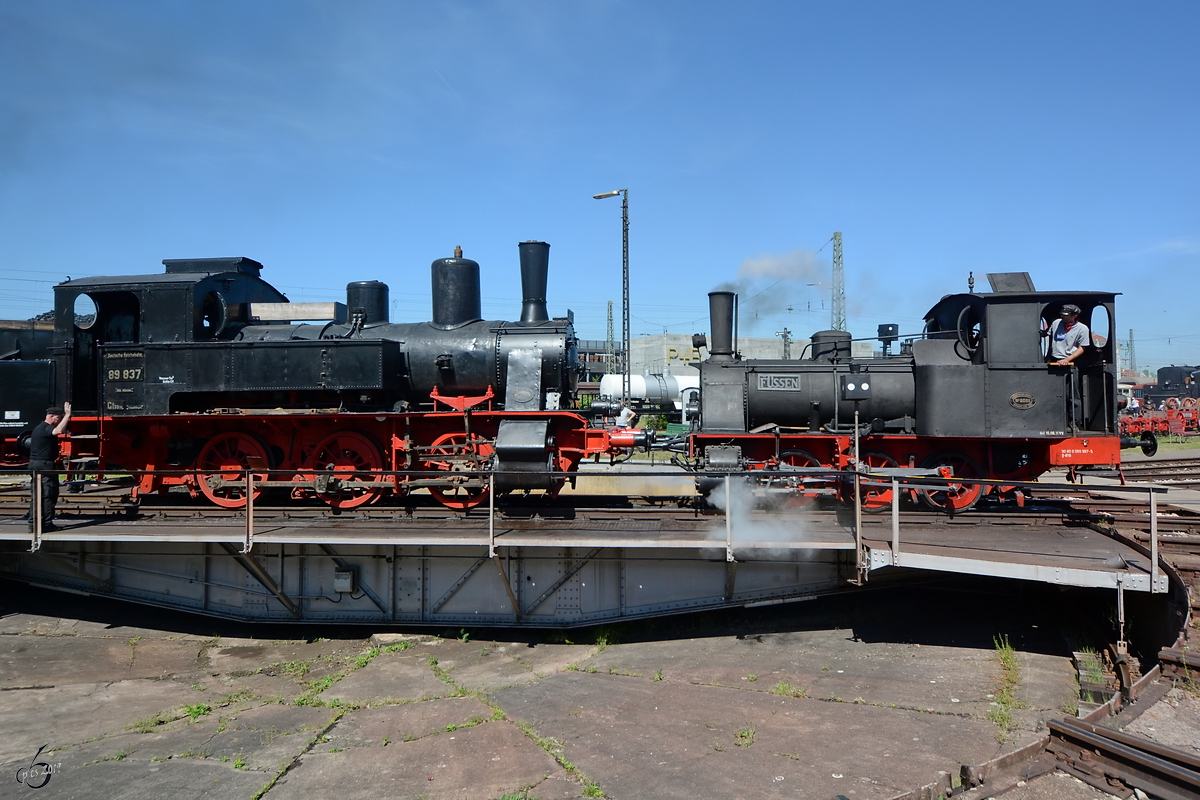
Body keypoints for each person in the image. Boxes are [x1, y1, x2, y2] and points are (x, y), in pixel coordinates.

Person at [27, 402, 71, 532]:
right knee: (48, 494)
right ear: (52, 416)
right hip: (45, 465)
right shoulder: (46, 428)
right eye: (59, 418)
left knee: (37, 495)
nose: (59, 421)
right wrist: (67, 415)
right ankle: (45, 524)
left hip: (35, 464)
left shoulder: (38, 428)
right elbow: (58, 431)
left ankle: (33, 524)